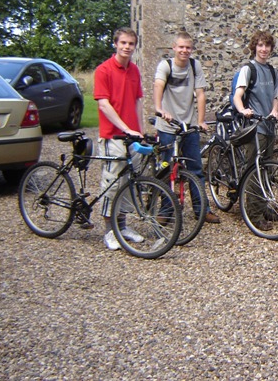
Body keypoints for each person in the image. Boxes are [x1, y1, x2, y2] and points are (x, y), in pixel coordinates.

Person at [153, 31, 219, 224]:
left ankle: (201, 209)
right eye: (181, 47)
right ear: (174, 47)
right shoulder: (165, 66)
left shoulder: (194, 65)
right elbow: (158, 86)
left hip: (187, 124)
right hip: (167, 125)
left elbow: (200, 95)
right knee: (166, 168)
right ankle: (166, 210)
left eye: (188, 47)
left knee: (196, 168)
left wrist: (199, 120)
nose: (184, 51)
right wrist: (159, 109)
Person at [94, 27, 145, 251]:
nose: (127, 47)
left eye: (130, 44)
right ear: (115, 44)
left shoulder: (134, 70)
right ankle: (108, 231)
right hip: (112, 135)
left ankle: (122, 225)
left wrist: (140, 130)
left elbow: (137, 102)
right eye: (123, 43)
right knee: (112, 182)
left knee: (129, 184)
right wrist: (125, 128)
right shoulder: (103, 70)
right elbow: (104, 104)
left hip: (132, 136)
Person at [232, 30, 278, 230]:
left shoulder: (272, 71)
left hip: (269, 126)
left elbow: (276, 96)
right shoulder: (248, 69)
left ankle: (263, 207)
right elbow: (238, 94)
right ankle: (253, 215)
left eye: (267, 46)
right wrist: (243, 110)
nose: (264, 49)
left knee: (267, 170)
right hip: (255, 128)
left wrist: (275, 111)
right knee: (254, 170)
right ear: (255, 47)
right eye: (260, 45)